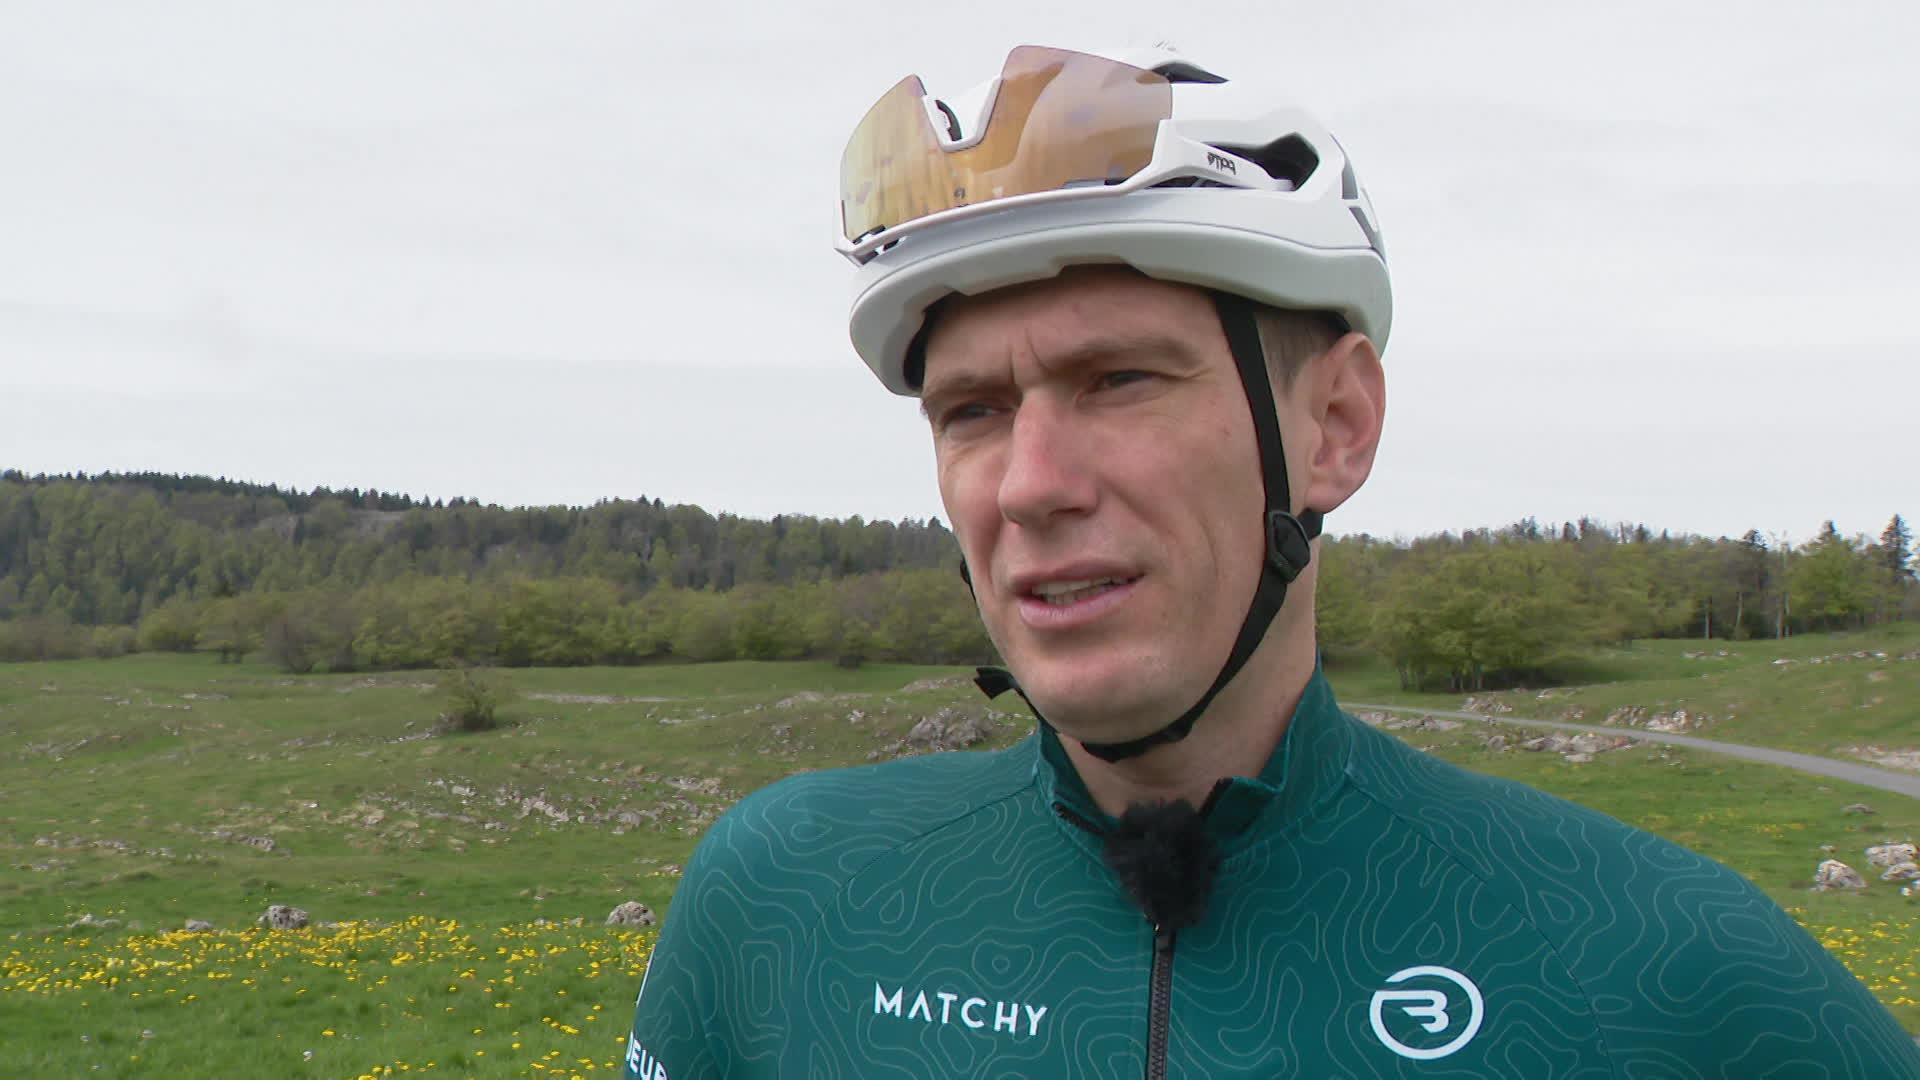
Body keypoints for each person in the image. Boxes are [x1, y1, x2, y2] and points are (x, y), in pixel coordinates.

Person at [624, 45, 1920, 1078]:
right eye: (972, 411)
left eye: (1120, 379)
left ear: (1336, 428)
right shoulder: (784, 900)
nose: (1030, 485)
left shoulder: (1657, 963)